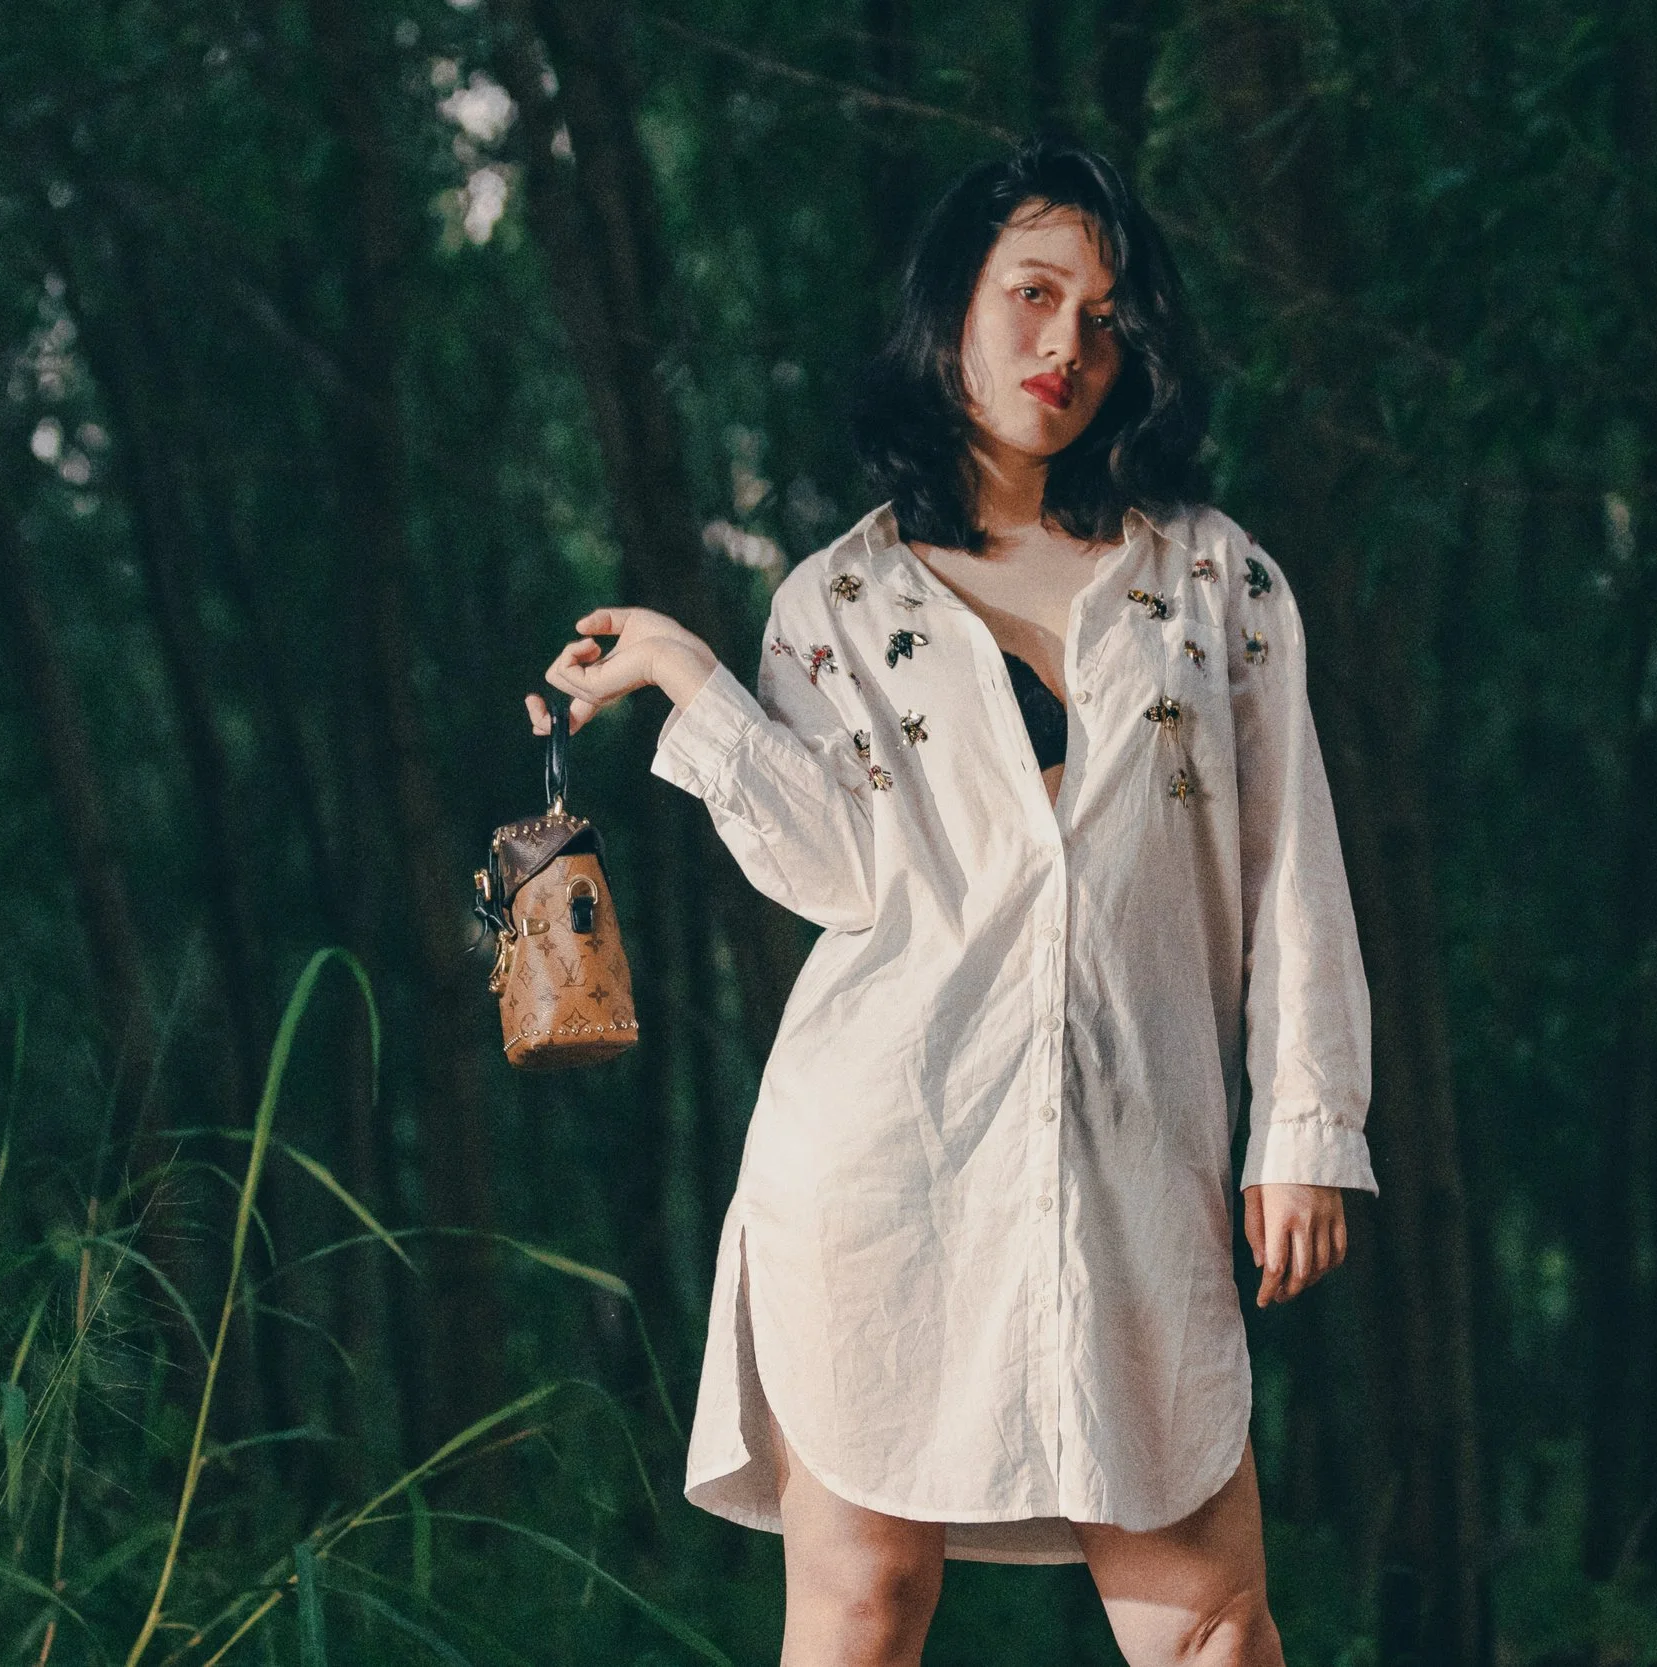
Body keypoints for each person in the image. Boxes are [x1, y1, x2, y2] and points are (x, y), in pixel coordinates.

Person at [525, 136, 1375, 1667]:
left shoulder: (1216, 583)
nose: (1067, 345)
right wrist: (689, 674)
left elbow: (1289, 858)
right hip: (881, 1165)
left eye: (1105, 318)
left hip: (1138, 1162)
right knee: (863, 1612)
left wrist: (1305, 1124)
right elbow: (838, 874)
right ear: (952, 312)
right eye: (1032, 296)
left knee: (1215, 1634)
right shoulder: (838, 602)